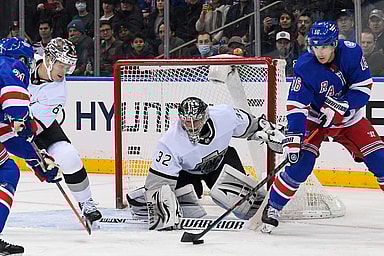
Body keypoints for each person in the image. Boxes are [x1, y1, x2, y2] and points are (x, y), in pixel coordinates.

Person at [260, 21, 384, 233]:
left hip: (348, 119)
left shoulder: (352, 53)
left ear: (334, 44)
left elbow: (363, 88)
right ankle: (273, 207)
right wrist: (294, 137)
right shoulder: (304, 66)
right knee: (300, 165)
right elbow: (297, 106)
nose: (320, 52)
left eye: (325, 46)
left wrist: (341, 105)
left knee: (381, 160)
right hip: (315, 119)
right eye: (315, 47)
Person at [127, 96, 285, 230]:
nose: (191, 126)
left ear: (205, 116)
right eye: (186, 122)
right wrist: (160, 205)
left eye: (195, 121)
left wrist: (270, 132)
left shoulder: (226, 115)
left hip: (221, 162)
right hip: (188, 173)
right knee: (185, 201)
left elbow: (254, 125)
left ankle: (268, 208)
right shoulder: (169, 143)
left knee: (243, 203)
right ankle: (139, 200)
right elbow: (158, 182)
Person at [27, 38, 102, 224]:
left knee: (69, 157)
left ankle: (86, 203)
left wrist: (38, 157)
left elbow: (32, 129)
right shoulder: (25, 61)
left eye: (68, 66)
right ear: (49, 60)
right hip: (8, 115)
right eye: (61, 65)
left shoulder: (57, 93)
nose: (65, 71)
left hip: (32, 125)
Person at [0, 37, 62, 255]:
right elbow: (15, 106)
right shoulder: (10, 65)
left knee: (6, 169)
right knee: (6, 171)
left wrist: (37, 161)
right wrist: (24, 120)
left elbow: (8, 137)